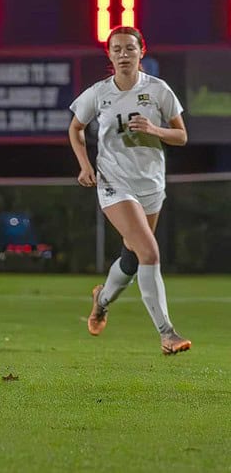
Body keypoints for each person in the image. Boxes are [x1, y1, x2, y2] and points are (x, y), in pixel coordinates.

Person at [68, 25, 191, 355]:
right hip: (114, 183)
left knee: (134, 256)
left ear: (141, 52)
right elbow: (76, 128)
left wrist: (155, 129)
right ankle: (167, 333)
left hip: (151, 184)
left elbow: (181, 136)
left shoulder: (159, 90)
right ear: (109, 54)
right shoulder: (98, 93)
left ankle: (102, 299)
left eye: (129, 48)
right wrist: (84, 164)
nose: (123, 54)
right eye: (117, 49)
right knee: (150, 252)